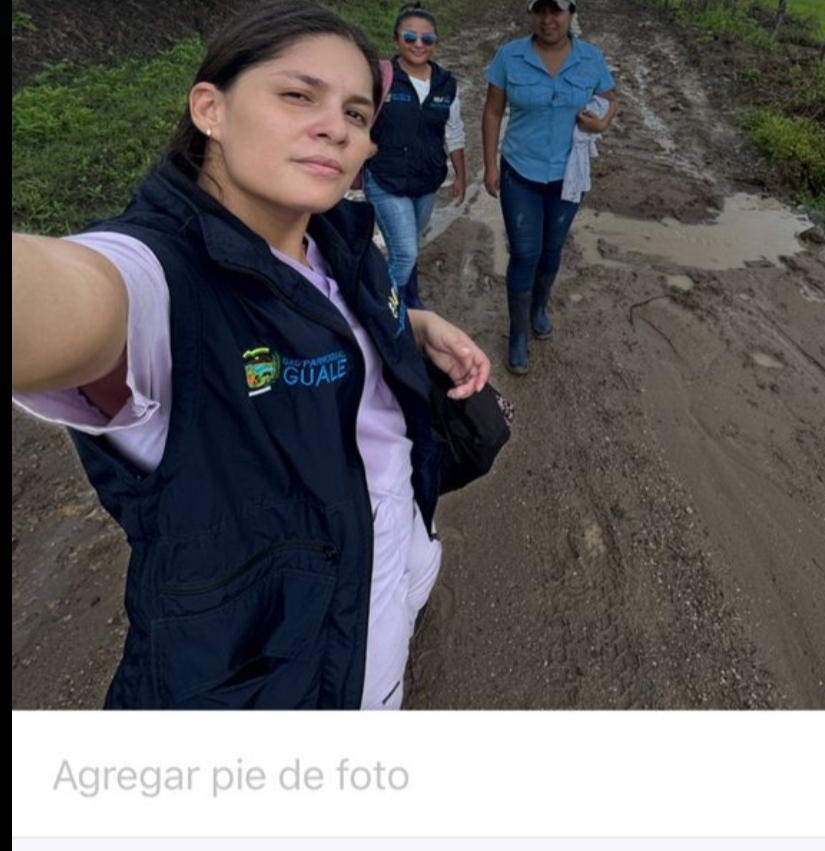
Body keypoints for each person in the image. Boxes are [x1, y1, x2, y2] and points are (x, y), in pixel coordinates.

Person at [11, 0, 490, 710]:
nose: (335, 126)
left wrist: (408, 325)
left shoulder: (335, 236)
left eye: (356, 114)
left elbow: (317, 309)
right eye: (297, 95)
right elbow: (64, 297)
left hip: (394, 574)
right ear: (210, 108)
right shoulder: (158, 279)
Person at [482, 0, 617, 375]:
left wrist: (601, 124)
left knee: (552, 249)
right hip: (519, 172)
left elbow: (610, 98)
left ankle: (538, 309)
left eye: (555, 11)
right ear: (531, 14)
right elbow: (492, 110)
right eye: (539, 11)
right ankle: (517, 334)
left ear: (570, 13)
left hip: (568, 176)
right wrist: (490, 165)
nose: (547, 19)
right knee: (525, 253)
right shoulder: (509, 56)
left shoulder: (590, 59)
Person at [364, 4, 465, 310]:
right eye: (410, 37)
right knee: (405, 253)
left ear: (435, 42)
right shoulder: (379, 77)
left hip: (426, 181)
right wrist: (362, 144)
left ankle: (411, 298)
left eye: (427, 39)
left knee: (409, 245)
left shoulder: (446, 83)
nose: (418, 44)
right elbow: (350, 113)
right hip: (385, 179)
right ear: (396, 40)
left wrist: (460, 176)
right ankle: (387, 312)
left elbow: (454, 132)